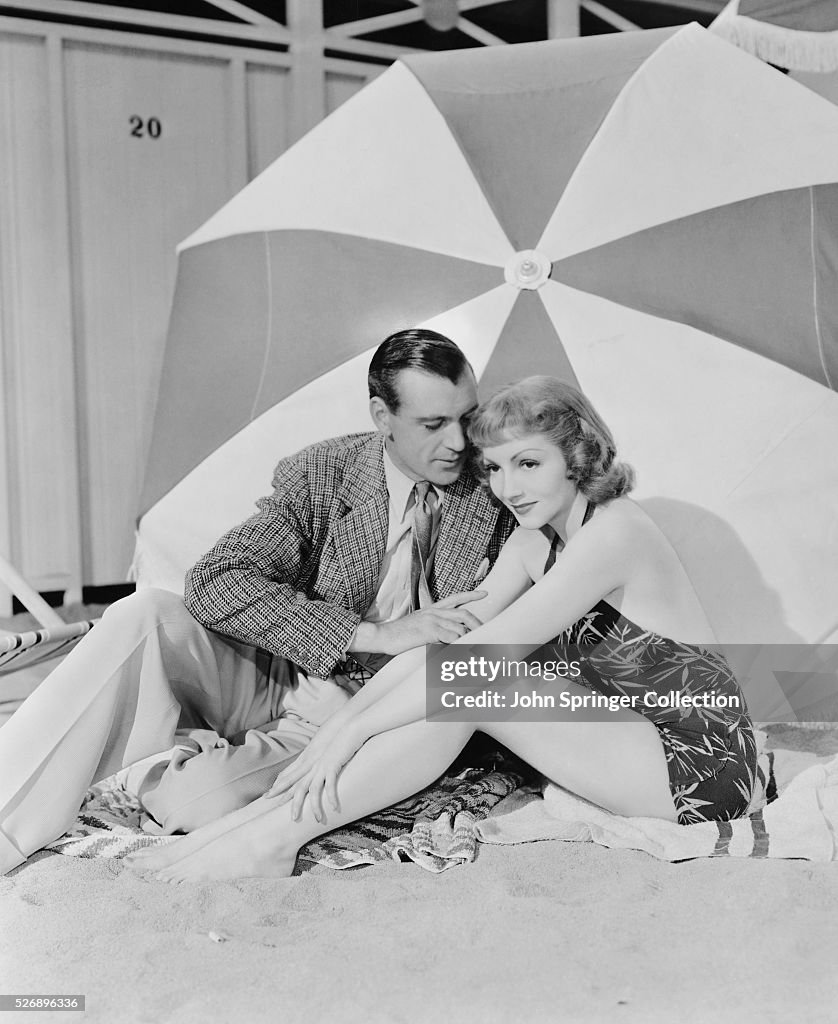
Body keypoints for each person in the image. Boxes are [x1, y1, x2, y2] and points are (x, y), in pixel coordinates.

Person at [127, 376, 758, 882]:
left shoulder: (616, 530)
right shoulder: (535, 541)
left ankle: (274, 837)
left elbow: (482, 658)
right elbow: (444, 644)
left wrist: (351, 729)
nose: (509, 487)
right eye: (496, 469)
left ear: (579, 455)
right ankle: (253, 827)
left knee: (474, 686)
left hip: (701, 765)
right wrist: (340, 730)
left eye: (529, 464)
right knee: (446, 674)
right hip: (629, 741)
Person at [0, 329, 515, 875]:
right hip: (277, 670)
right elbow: (216, 581)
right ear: (381, 416)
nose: (460, 441)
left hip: (364, 714)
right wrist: (372, 635)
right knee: (143, 611)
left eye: (467, 416)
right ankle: (8, 823)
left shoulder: (500, 485)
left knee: (194, 805)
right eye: (433, 425)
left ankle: (161, 756)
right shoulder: (324, 472)